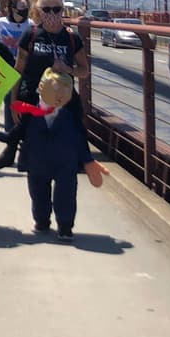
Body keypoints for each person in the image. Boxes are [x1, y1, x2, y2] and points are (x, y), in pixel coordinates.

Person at [0, 0, 87, 171]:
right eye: (46, 9)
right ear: (39, 11)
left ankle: (80, 159)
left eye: (56, 9)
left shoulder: (72, 38)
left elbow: (84, 71)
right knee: (34, 153)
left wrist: (67, 69)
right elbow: (19, 70)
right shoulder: (31, 35)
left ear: (62, 10)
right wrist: (14, 100)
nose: (52, 13)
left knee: (76, 129)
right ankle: (12, 151)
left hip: (62, 99)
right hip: (33, 96)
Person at [15, 68, 107, 239]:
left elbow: (80, 139)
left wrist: (88, 160)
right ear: (41, 88)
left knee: (66, 193)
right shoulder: (30, 113)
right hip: (37, 161)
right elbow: (17, 134)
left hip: (65, 162)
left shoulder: (70, 115)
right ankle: (42, 219)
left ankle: (65, 225)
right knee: (38, 192)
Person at [0, 0, 33, 137]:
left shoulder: (31, 25)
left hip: (25, 71)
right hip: (4, 70)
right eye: (21, 8)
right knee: (9, 100)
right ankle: (10, 132)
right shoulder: (0, 24)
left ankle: (20, 133)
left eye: (26, 8)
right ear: (11, 9)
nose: (24, 11)